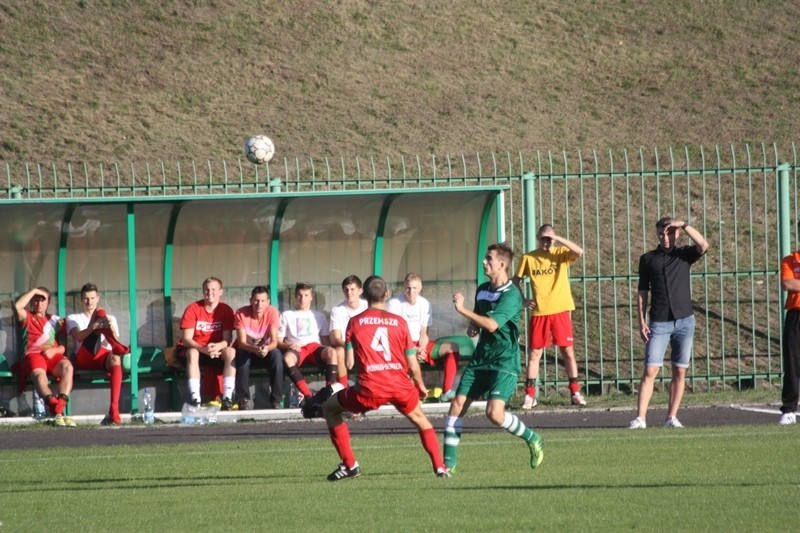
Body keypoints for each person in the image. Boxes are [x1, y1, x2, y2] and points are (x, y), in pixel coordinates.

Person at [322, 275, 450, 481]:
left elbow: (349, 364)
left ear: (363, 294)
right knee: (422, 421)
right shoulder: (400, 322)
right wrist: (420, 385)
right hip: (400, 385)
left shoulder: (354, 323)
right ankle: (440, 467)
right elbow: (412, 364)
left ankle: (350, 465)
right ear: (387, 294)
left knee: (329, 408)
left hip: (370, 389)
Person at [443, 243, 544, 472]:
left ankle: (533, 438)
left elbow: (491, 324)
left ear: (501, 264)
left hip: (503, 361)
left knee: (494, 414)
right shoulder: (482, 289)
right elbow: (479, 320)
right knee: (456, 405)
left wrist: (462, 310)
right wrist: (471, 326)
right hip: (480, 360)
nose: (484, 262)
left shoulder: (512, 295)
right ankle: (447, 467)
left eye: (488, 259)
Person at [630, 217, 709, 429]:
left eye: (670, 233)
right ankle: (640, 418)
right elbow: (642, 292)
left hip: (684, 320)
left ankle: (671, 417)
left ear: (677, 234)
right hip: (659, 322)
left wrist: (683, 224)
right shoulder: (648, 259)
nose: (665, 238)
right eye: (662, 234)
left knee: (679, 370)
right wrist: (641, 321)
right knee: (650, 370)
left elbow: (703, 245)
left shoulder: (684, 255)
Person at [513, 224, 586, 409]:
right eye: (543, 238)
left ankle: (575, 392)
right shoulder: (529, 258)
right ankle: (530, 396)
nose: (546, 242)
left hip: (560, 310)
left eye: (549, 239)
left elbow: (579, 251)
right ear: (538, 238)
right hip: (540, 312)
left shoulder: (560, 253)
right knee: (535, 354)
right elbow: (515, 281)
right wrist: (523, 300)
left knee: (567, 351)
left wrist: (557, 237)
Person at [387, 273, 461, 402]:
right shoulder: (394, 303)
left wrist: (421, 348)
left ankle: (447, 391)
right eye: (408, 288)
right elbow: (393, 335)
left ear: (420, 288)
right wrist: (412, 350)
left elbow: (424, 333)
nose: (411, 291)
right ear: (404, 287)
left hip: (418, 345)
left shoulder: (425, 304)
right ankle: (411, 394)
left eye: (415, 288)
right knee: (408, 371)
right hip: (400, 347)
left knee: (453, 347)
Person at [66, 283, 130, 425]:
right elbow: (79, 337)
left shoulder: (110, 318)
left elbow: (115, 336)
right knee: (100, 315)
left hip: (102, 355)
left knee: (115, 360)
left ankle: (114, 409)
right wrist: (94, 326)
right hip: (85, 355)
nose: (89, 302)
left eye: (92, 298)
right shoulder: (73, 318)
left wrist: (109, 327)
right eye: (86, 298)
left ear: (98, 298)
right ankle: (117, 346)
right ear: (81, 300)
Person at [14, 287, 75, 427]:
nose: (39, 303)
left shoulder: (56, 320)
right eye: (36, 300)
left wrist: (55, 351)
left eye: (43, 300)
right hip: (33, 354)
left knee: (68, 367)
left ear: (48, 302)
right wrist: (34, 291)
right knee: (40, 377)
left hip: (53, 355)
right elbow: (17, 306)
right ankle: (56, 409)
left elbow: (63, 345)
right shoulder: (27, 316)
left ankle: (60, 406)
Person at [177, 276, 237, 409]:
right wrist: (203, 348)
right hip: (197, 349)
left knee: (231, 351)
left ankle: (227, 398)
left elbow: (227, 339)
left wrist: (217, 346)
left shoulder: (226, 310)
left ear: (220, 292)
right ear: (203, 291)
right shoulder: (193, 308)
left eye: (214, 289)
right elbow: (187, 339)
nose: (210, 293)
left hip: (216, 350)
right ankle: (195, 398)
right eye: (207, 290)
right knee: (192, 353)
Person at [278, 282, 339, 403]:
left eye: (306, 295)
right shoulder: (286, 315)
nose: (303, 299)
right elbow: (278, 341)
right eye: (300, 295)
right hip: (297, 349)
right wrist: (288, 345)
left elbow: (325, 341)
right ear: (295, 296)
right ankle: (309, 396)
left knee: (332, 352)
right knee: (287, 358)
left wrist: (327, 355)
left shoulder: (319, 316)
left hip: (314, 348)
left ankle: (329, 393)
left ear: (312, 297)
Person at [233, 286, 284, 410]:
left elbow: (274, 341)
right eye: (256, 300)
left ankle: (276, 400)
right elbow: (241, 342)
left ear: (268, 302)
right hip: (248, 350)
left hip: (265, 351)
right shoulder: (241, 313)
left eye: (262, 301)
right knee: (241, 356)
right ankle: (243, 399)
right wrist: (255, 349)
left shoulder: (272, 312)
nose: (259, 304)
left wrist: (266, 348)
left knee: (277, 355)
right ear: (251, 300)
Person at [328, 275, 367, 388]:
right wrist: (351, 346)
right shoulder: (337, 310)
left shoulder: (367, 306)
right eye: (346, 290)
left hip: (366, 345)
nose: (349, 292)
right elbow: (336, 339)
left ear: (360, 291)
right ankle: (343, 389)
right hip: (346, 346)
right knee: (339, 351)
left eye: (352, 289)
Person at [779, 232, 800, 425]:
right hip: (796, 315)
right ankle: (789, 409)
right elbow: (788, 283)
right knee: (793, 364)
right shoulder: (790, 260)